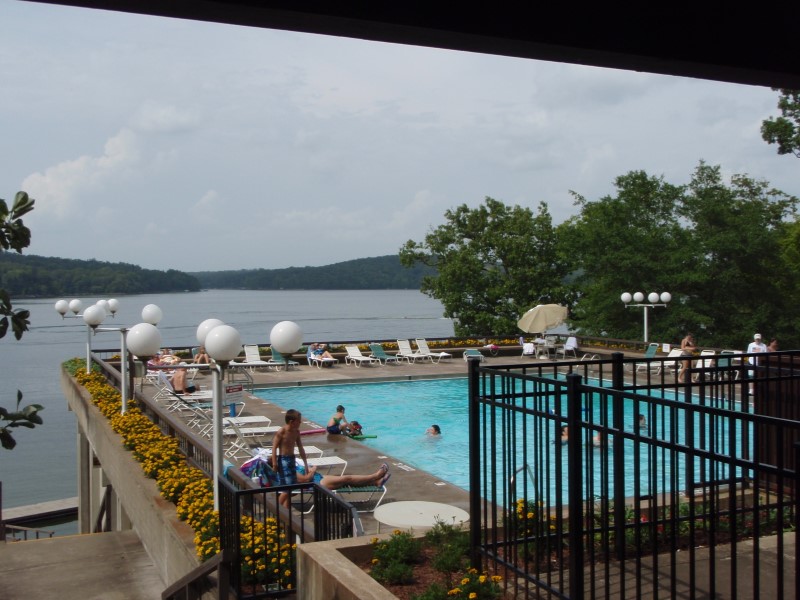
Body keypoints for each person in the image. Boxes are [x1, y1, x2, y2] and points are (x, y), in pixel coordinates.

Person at [272, 409, 309, 507]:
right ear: (291, 422)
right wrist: (274, 464)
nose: (300, 422)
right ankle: (275, 509)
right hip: (283, 460)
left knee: (290, 488)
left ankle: (286, 512)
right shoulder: (282, 431)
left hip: (292, 459)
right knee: (287, 489)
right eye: (298, 420)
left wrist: (306, 465)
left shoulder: (296, 432)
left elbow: (300, 448)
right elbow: (274, 447)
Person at [295, 462, 391, 490]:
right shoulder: (288, 470)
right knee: (347, 478)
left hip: (317, 478)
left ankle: (376, 482)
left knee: (347, 481)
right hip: (316, 483)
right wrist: (312, 470)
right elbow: (306, 479)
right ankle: (375, 476)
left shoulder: (290, 464)